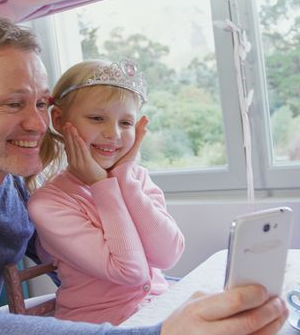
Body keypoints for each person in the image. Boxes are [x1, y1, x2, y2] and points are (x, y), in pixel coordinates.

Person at [0, 14, 288, 335]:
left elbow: (95, 268)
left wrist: (181, 299)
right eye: (14, 104)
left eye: (40, 103)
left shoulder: (10, 180)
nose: (38, 124)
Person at [27, 59, 185, 325]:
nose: (113, 134)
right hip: (100, 327)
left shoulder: (137, 179)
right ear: (59, 120)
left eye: (125, 122)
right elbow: (130, 272)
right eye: (97, 118)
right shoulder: (48, 205)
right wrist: (103, 186)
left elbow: (168, 256)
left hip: (157, 314)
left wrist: (124, 178)